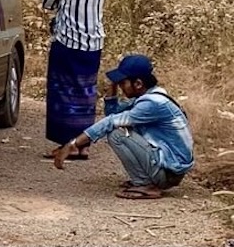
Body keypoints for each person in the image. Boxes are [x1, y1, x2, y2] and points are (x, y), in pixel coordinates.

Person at [53, 54, 195, 200]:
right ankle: (146, 180)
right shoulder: (151, 96)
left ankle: (146, 184)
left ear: (138, 84)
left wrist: (73, 144)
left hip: (168, 173)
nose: (121, 87)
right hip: (170, 170)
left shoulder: (151, 104)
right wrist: (113, 87)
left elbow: (111, 122)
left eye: (122, 83)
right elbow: (113, 113)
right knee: (118, 127)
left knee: (117, 133)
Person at [41, 0, 108, 160]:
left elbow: (47, 2)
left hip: (68, 42)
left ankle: (65, 144)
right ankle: (83, 145)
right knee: (85, 92)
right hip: (94, 43)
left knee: (63, 92)